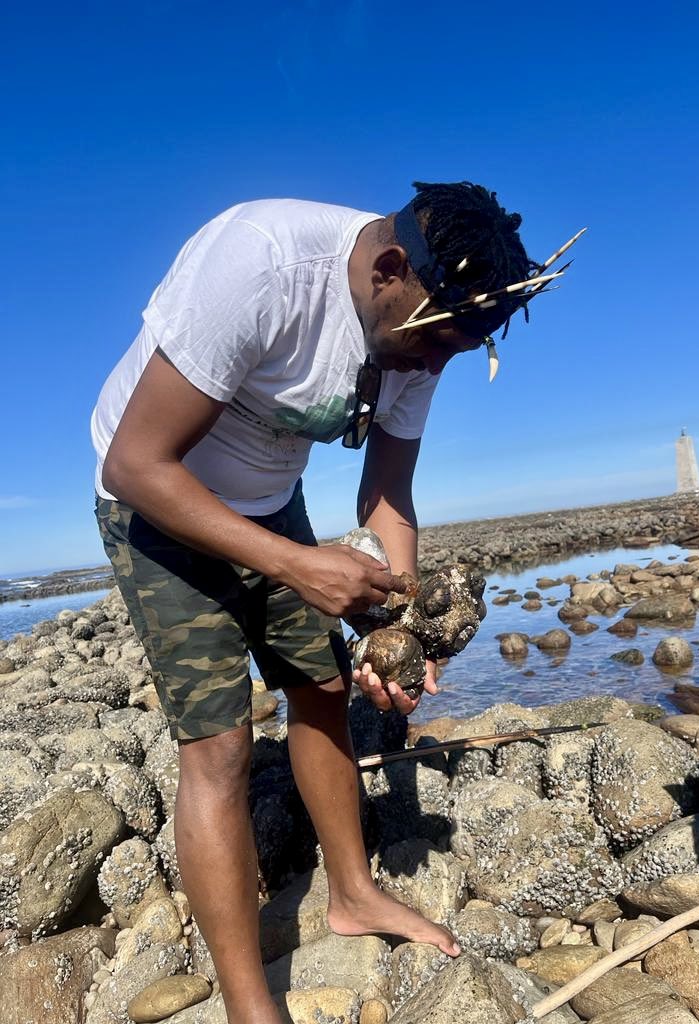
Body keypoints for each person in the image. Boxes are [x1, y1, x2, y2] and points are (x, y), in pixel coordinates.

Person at [91, 180, 535, 1024]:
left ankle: (353, 894)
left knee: (325, 690)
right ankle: (250, 1007)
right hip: (154, 504)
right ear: (389, 270)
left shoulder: (424, 327)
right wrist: (299, 565)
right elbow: (135, 464)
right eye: (431, 344)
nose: (431, 366)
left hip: (266, 504)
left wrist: (400, 632)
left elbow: (388, 497)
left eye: (452, 351)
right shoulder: (261, 265)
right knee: (219, 749)